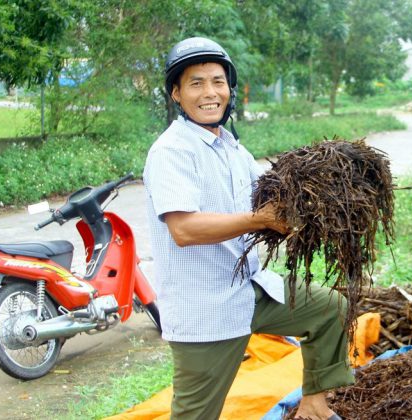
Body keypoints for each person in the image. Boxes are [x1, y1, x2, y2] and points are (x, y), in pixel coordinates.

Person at [144, 37, 352, 420]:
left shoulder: (231, 148)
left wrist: (313, 204)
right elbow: (184, 229)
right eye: (196, 83)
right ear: (176, 93)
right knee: (195, 414)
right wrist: (261, 220)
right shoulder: (172, 151)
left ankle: (314, 409)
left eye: (218, 81)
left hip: (248, 290)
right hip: (204, 308)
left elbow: (268, 206)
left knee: (331, 308)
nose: (210, 93)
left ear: (229, 89)